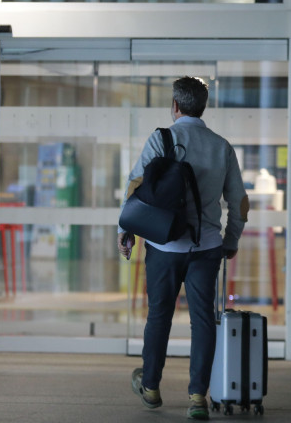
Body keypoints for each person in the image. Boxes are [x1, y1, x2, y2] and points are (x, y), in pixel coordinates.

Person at [117, 76, 249, 420]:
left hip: (164, 246)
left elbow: (136, 186)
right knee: (203, 320)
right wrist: (230, 241)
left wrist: (126, 230)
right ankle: (197, 398)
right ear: (202, 107)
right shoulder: (221, 146)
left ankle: (150, 386)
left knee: (159, 316)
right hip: (207, 247)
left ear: (175, 106)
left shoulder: (163, 138)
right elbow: (240, 202)